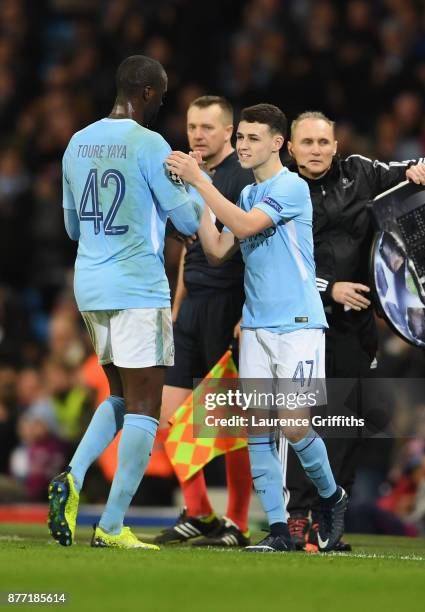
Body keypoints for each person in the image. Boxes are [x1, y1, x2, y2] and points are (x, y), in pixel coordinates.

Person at [166, 103, 348, 553]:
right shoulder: (246, 195)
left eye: (252, 138)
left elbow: (246, 227)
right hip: (257, 326)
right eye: (241, 137)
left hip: (299, 324)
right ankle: (279, 530)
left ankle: (332, 497)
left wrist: (201, 181)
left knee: (292, 424)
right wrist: (194, 203)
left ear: (277, 144)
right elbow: (218, 249)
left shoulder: (291, 187)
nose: (243, 145)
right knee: (258, 430)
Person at [48, 55, 203, 550]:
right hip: (137, 285)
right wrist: (195, 182)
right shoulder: (149, 143)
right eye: (161, 96)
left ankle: (70, 477)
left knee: (118, 394)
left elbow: (72, 228)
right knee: (144, 409)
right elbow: (189, 220)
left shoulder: (77, 143)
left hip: (90, 285)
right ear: (149, 93)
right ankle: (112, 526)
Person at [283, 110, 425, 550]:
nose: (315, 150)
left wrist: (417, 170)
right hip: (301, 322)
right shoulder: (280, 191)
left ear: (335, 145)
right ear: (290, 149)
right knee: (301, 422)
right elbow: (276, 264)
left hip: (356, 324)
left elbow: (405, 174)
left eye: (322, 142)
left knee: (345, 426)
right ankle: (298, 517)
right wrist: (331, 289)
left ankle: (332, 520)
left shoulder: (361, 172)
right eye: (306, 143)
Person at [155, 96, 254, 547]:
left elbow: (253, 253)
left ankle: (236, 521)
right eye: (193, 126)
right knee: (168, 417)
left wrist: (246, 314)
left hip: (227, 305)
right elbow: (191, 245)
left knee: (228, 422)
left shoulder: (243, 178)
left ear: (228, 132)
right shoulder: (188, 177)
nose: (197, 134)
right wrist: (178, 301)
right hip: (192, 306)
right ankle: (200, 513)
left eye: (207, 128)